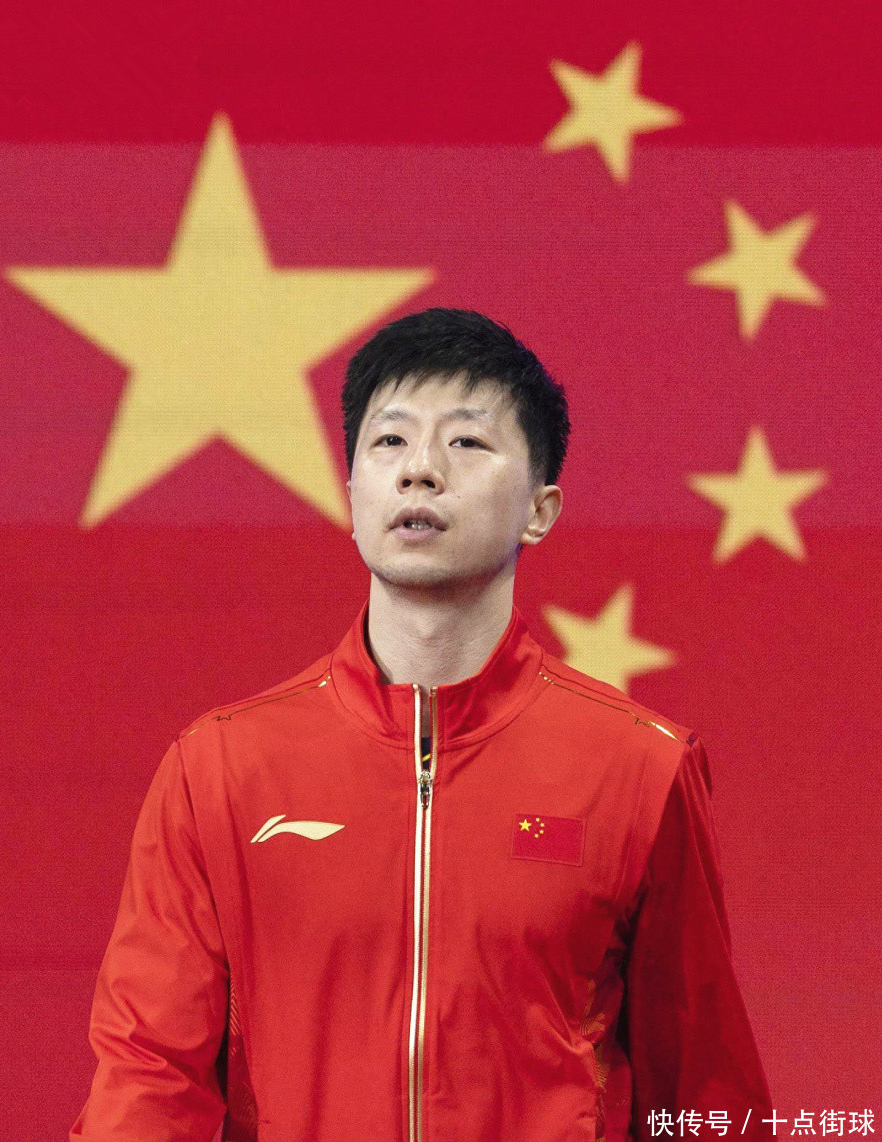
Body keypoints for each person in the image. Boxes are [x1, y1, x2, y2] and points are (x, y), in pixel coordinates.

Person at [70, 308, 774, 1141]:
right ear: (353, 497)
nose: (420, 472)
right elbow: (148, 1083)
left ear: (540, 509)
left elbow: (705, 1098)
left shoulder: (639, 770)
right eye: (390, 441)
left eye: (466, 442)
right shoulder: (220, 769)